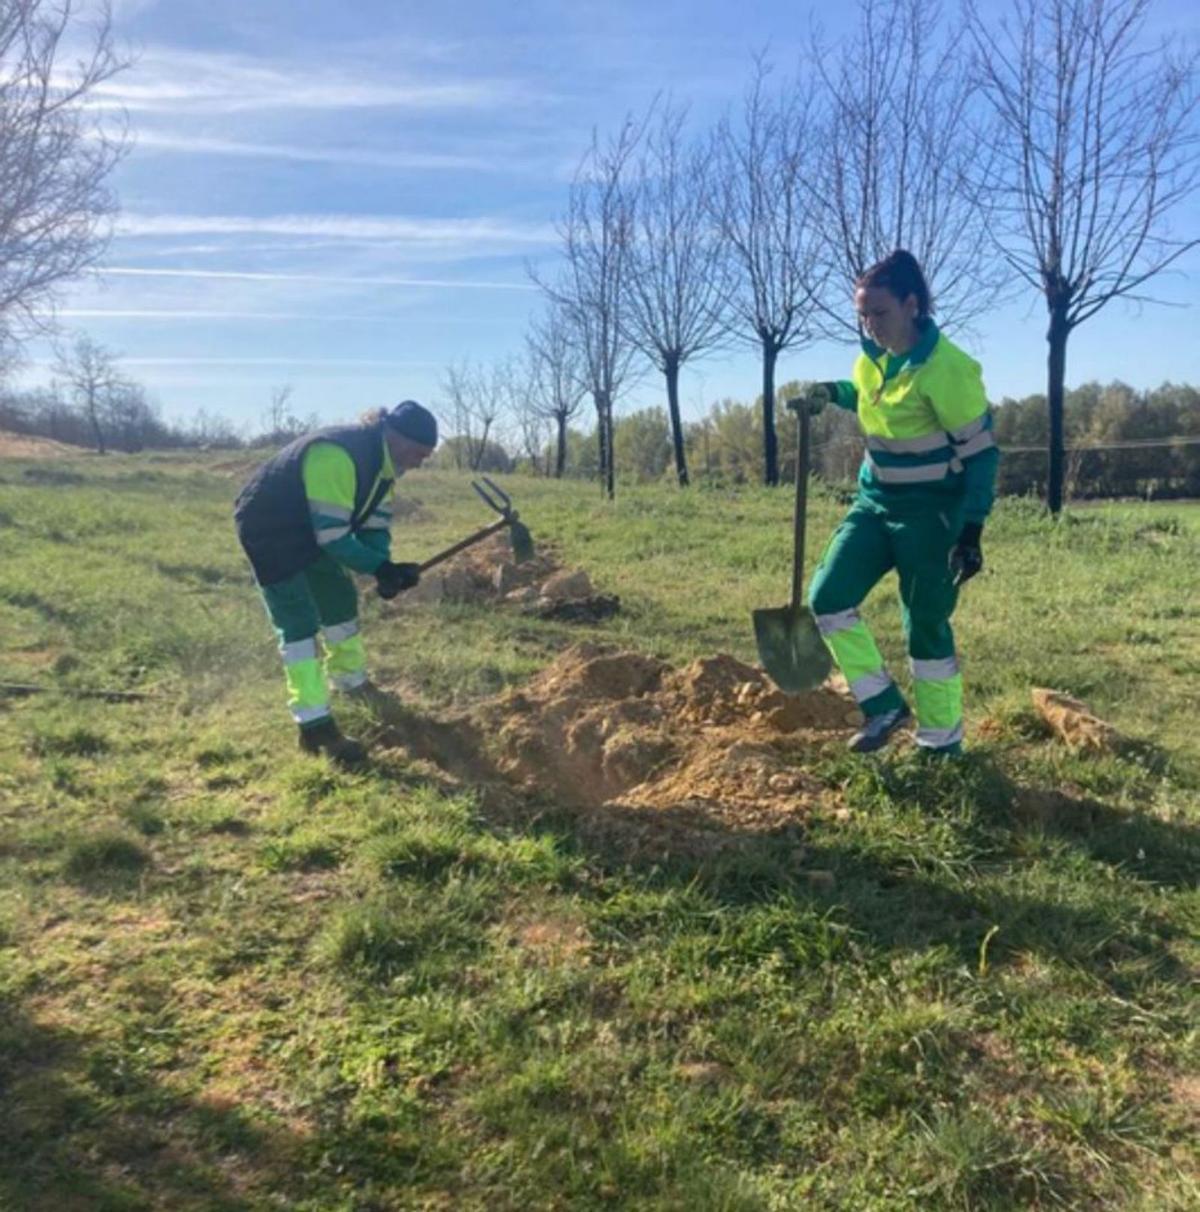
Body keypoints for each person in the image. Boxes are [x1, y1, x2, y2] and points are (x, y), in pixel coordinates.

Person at [796, 250, 998, 756]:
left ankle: (940, 746)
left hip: (932, 514)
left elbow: (981, 456)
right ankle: (882, 704)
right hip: (875, 504)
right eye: (862, 314)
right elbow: (868, 394)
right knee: (828, 597)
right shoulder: (872, 357)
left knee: (924, 623)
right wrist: (830, 392)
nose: (869, 324)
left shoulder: (947, 370)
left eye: (879, 313)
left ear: (912, 305)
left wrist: (971, 530)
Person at [234, 400, 438, 764]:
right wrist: (378, 568)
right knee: (298, 625)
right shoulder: (336, 455)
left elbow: (375, 527)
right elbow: (332, 537)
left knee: (339, 600)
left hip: (312, 531)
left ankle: (351, 681)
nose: (421, 462)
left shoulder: (386, 468)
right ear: (396, 436)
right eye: (420, 453)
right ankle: (315, 727)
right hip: (271, 530)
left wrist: (385, 567)